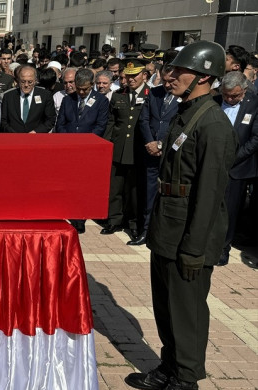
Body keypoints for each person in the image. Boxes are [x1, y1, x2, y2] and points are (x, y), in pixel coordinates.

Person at [125, 40, 237, 390]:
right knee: (166, 306)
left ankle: (186, 379)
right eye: (169, 69)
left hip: (189, 235)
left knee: (186, 311)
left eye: (178, 70)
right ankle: (169, 367)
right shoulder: (185, 112)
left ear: (204, 77)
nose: (168, 75)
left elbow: (209, 195)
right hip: (168, 228)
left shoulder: (213, 125)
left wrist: (194, 248)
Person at [55, 68, 109, 233]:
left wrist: (84, 142)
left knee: (83, 185)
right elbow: (60, 124)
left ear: (91, 85)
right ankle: (70, 213)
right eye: (78, 88)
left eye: (85, 89)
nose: (81, 92)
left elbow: (101, 126)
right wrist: (70, 141)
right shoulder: (68, 100)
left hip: (88, 150)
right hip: (69, 149)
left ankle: (80, 217)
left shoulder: (101, 101)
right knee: (69, 183)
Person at [101, 58, 150, 237]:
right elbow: (111, 123)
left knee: (134, 190)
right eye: (127, 76)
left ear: (144, 75)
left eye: (134, 76)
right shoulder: (118, 95)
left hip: (137, 149)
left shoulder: (149, 94)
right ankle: (114, 220)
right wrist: (107, 145)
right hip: (118, 147)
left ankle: (134, 223)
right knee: (115, 187)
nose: (130, 80)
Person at [133, 63, 179, 246]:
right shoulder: (154, 93)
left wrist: (161, 144)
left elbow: (179, 125)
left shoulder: (183, 96)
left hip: (170, 153)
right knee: (149, 192)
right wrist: (151, 142)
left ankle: (163, 233)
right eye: (164, 80)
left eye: (171, 81)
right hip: (150, 151)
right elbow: (144, 119)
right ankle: (146, 230)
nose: (167, 85)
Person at [215, 71, 258, 265]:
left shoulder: (253, 105)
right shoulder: (214, 101)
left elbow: (255, 139)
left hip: (237, 168)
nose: (230, 99)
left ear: (244, 90)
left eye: (235, 96)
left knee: (229, 211)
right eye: (226, 95)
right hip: (211, 164)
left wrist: (233, 158)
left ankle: (223, 247)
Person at [0, 65, 56, 133]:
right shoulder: (8, 96)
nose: (26, 85)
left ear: (35, 81)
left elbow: (50, 119)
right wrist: (14, 134)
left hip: (37, 139)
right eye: (23, 82)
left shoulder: (45, 95)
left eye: (30, 82)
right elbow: (3, 120)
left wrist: (36, 132)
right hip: (13, 139)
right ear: (18, 81)